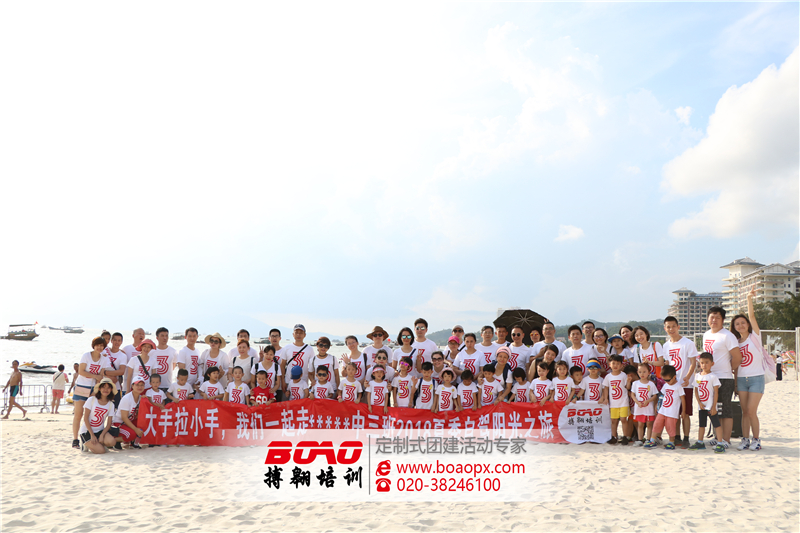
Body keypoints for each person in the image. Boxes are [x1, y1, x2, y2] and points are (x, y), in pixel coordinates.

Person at [702, 305, 742, 450]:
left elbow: (738, 357)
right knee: (714, 409)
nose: (714, 320)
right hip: (709, 377)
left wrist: (727, 369)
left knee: (725, 410)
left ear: (723, 320)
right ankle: (717, 437)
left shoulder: (727, 336)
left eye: (717, 317)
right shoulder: (706, 335)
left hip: (724, 377)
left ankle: (726, 439)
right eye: (712, 317)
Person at [731, 288, 766, 451]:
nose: (741, 325)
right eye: (737, 324)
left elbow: (752, 316)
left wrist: (749, 298)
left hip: (756, 379)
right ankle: (745, 439)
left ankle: (756, 440)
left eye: (743, 323)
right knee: (744, 411)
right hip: (741, 380)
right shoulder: (735, 342)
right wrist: (735, 384)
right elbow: (736, 365)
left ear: (747, 324)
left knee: (752, 411)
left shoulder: (755, 336)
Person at [662, 316, 698, 448]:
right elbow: (667, 364)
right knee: (674, 413)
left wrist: (688, 377)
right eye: (668, 327)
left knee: (685, 413)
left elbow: (693, 362)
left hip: (685, 384)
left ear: (678, 327)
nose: (671, 329)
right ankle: (676, 436)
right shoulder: (666, 345)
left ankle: (686, 438)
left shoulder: (688, 343)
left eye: (673, 326)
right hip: (672, 385)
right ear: (665, 328)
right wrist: (667, 380)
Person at [72, 337, 111, 449]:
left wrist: (96, 390)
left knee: (90, 415)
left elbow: (101, 376)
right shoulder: (86, 356)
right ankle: (75, 439)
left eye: (102, 346)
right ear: (93, 345)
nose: (99, 347)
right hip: (81, 386)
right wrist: (95, 376)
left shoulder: (104, 359)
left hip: (94, 388)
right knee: (78, 414)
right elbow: (81, 371)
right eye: (97, 345)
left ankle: (87, 438)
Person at [689, 352, 724, 452]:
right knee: (701, 424)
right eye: (702, 363)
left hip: (711, 405)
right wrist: (699, 403)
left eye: (706, 362)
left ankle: (720, 443)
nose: (704, 365)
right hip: (702, 406)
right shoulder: (697, 376)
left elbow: (716, 392)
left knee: (716, 424)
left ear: (712, 363)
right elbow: (696, 390)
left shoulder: (713, 377)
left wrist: (713, 406)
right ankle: (700, 442)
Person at [644, 365, 685, 450]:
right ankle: (652, 440)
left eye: (668, 380)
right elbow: (662, 395)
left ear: (674, 377)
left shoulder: (678, 386)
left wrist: (683, 411)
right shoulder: (666, 385)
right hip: (663, 410)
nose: (666, 382)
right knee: (656, 424)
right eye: (664, 380)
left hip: (672, 412)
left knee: (670, 427)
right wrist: (657, 405)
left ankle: (671, 442)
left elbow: (683, 399)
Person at [79, 378, 118, 454]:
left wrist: (102, 435)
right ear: (99, 388)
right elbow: (85, 418)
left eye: (108, 388)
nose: (105, 390)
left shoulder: (111, 404)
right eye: (103, 387)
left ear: (111, 390)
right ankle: (85, 444)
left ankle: (97, 444)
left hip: (100, 431)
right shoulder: (91, 400)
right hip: (87, 431)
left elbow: (109, 423)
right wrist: (92, 435)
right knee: (101, 451)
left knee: (112, 442)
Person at [602, 355, 630, 445]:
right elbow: (606, 388)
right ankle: (614, 437)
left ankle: (625, 436)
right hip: (613, 403)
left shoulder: (623, 375)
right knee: (613, 420)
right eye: (613, 363)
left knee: (623, 419)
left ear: (621, 365)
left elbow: (627, 387)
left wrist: (629, 381)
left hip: (623, 401)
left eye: (618, 363)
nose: (615, 365)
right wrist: (606, 398)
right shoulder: (608, 376)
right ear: (609, 364)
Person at [631, 363, 659, 446]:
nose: (642, 374)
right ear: (637, 372)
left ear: (649, 372)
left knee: (649, 424)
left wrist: (648, 401)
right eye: (640, 372)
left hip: (648, 407)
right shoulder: (635, 383)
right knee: (640, 424)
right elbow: (632, 394)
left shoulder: (651, 384)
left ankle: (648, 439)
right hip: (639, 407)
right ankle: (640, 439)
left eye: (644, 372)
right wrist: (637, 402)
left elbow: (655, 395)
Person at [113, 377, 146, 447]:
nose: (140, 387)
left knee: (143, 427)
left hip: (129, 421)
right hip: (119, 422)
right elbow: (124, 417)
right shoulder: (127, 398)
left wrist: (144, 401)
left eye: (142, 385)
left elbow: (138, 416)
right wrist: (135, 429)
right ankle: (113, 440)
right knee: (132, 434)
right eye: (137, 385)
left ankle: (132, 441)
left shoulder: (141, 398)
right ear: (132, 386)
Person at [281, 324, 314, 390]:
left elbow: (312, 367)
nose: (298, 335)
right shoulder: (287, 348)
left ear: (304, 335)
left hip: (303, 384)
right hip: (289, 382)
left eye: (301, 333)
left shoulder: (309, 349)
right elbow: (282, 365)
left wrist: (312, 382)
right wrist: (283, 381)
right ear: (293, 334)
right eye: (296, 332)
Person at [150, 327, 177, 394]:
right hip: (154, 386)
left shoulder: (173, 351)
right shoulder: (151, 352)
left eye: (166, 336)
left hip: (168, 385)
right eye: (162, 336)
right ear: (157, 338)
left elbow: (173, 366)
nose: (165, 338)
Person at [177, 328, 202, 395]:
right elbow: (182, 370)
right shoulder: (183, 351)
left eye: (194, 336)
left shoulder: (197, 351)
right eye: (190, 336)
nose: (192, 338)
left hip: (193, 386)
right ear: (186, 337)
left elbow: (197, 368)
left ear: (197, 337)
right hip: (184, 386)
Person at [105, 332, 128, 400]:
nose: (117, 342)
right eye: (115, 340)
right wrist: (108, 375)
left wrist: (105, 373)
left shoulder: (123, 355)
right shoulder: (105, 351)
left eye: (119, 340)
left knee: (115, 406)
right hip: (103, 385)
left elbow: (121, 371)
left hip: (115, 386)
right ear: (111, 341)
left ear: (121, 342)